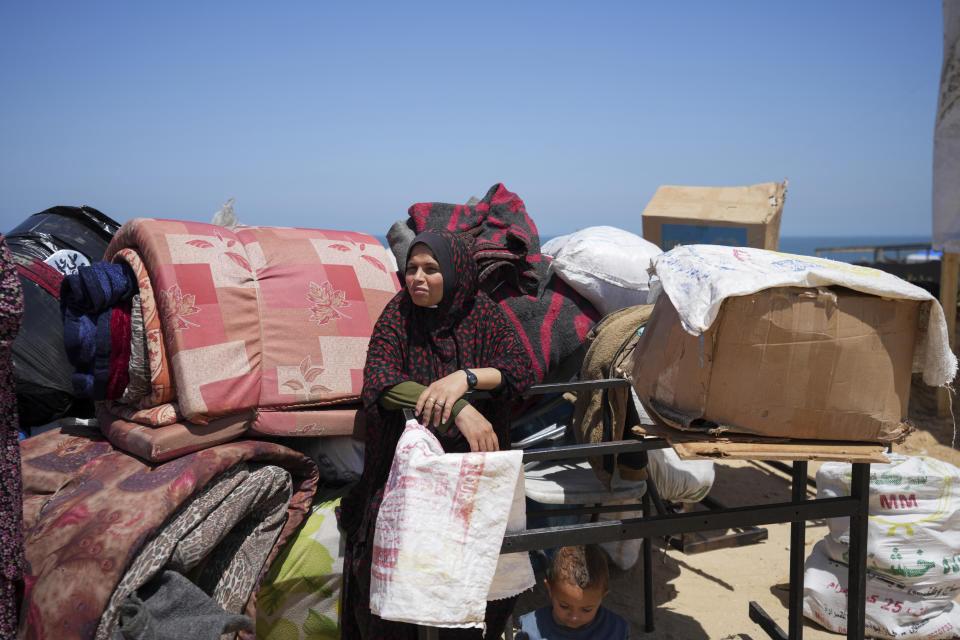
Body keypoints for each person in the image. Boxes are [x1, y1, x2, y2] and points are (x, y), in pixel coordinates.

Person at [338, 230, 535, 639]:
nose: (417, 279)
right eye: (411, 269)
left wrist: (464, 379)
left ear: (456, 272)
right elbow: (381, 382)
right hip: (411, 475)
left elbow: (520, 369)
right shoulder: (398, 315)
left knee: (480, 581)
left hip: (472, 470)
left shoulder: (484, 315)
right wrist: (457, 410)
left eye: (431, 269)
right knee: (382, 571)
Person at [516, 545, 630, 639]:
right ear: (550, 590)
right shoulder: (531, 628)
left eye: (587, 610)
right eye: (564, 606)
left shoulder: (616, 629)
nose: (574, 617)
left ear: (602, 596)